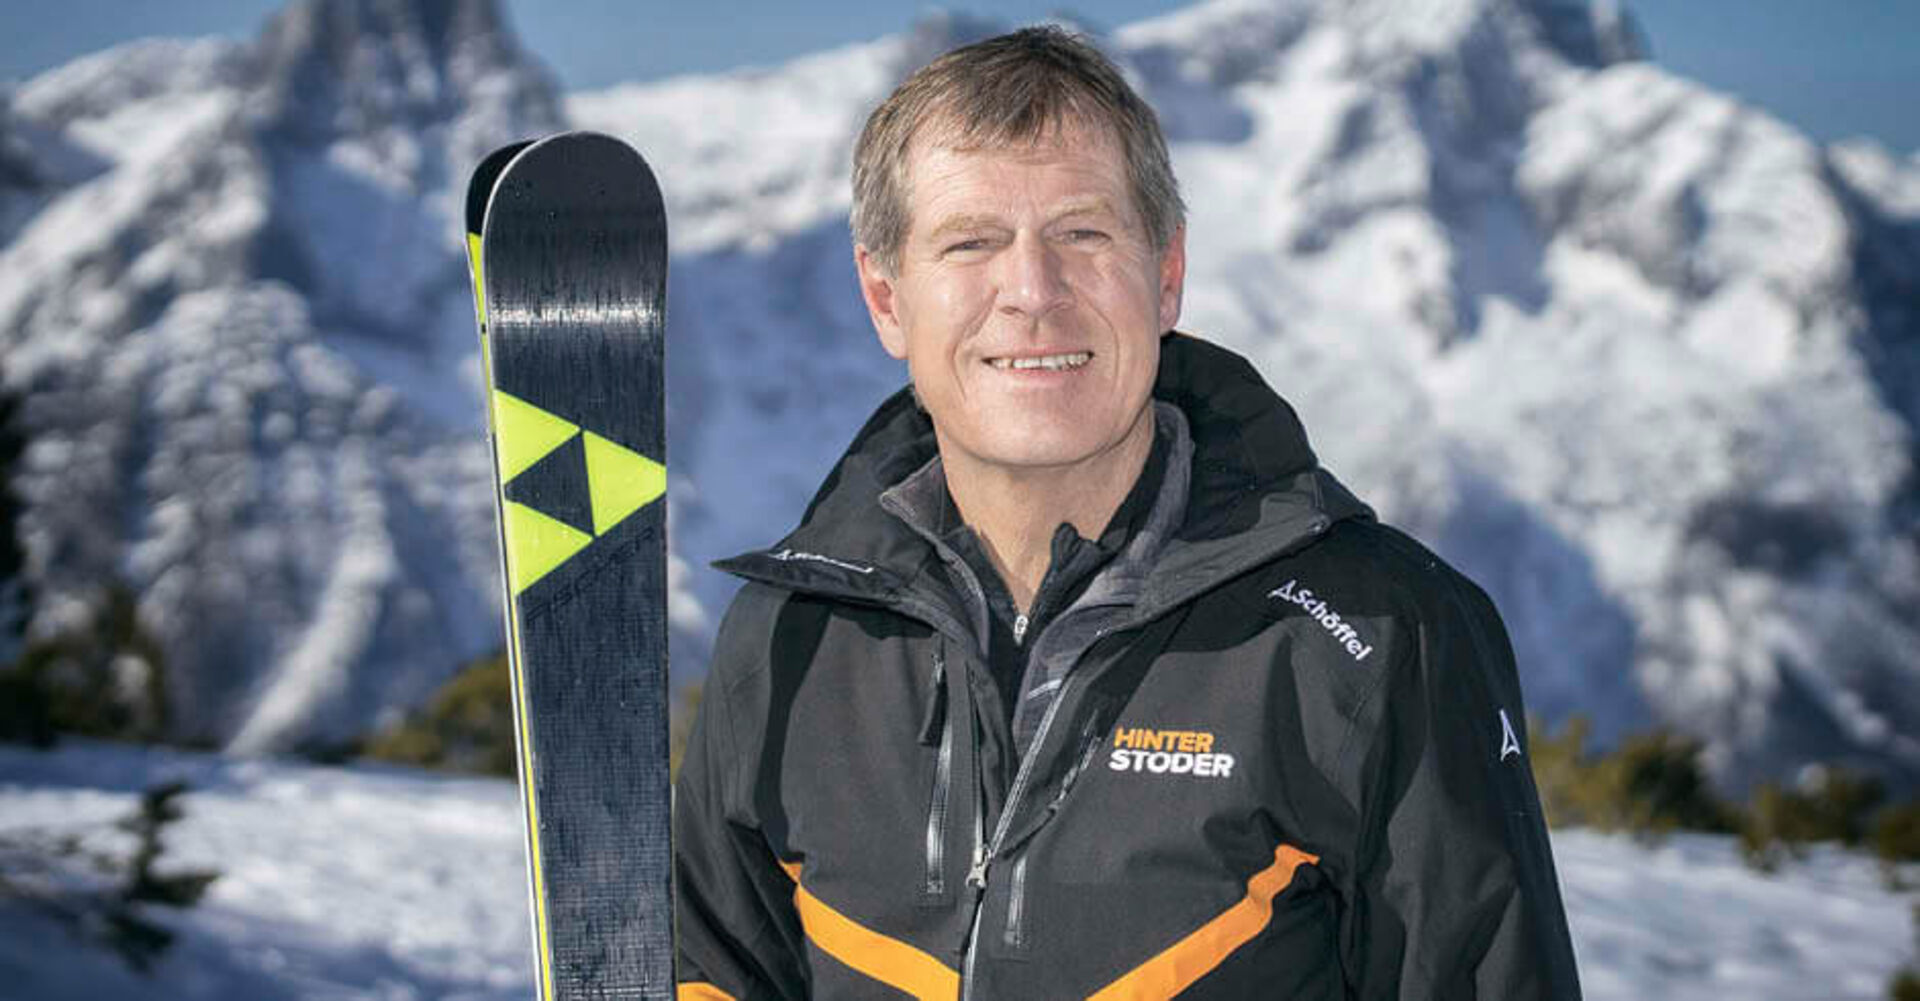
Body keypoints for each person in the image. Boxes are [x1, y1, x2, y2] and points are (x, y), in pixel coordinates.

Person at [673, 26, 1582, 1001]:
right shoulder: (787, 644)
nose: (1032, 292)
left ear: (1167, 274)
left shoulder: (1379, 637)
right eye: (970, 242)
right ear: (886, 297)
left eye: (1083, 233)